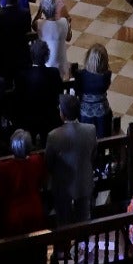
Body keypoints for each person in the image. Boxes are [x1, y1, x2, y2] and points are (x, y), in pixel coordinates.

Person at [45, 93, 97, 224]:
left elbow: (48, 163)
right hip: (84, 181)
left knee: (63, 222)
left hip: (63, 185)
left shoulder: (53, 135)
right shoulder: (90, 130)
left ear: (63, 114)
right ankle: (84, 242)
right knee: (84, 220)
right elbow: (93, 154)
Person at [0, 128, 47, 235]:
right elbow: (42, 181)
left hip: (13, 213)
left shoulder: (3, 167)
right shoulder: (37, 160)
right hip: (34, 209)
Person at [14, 36, 62, 143]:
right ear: (47, 56)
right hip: (49, 117)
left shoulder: (22, 76)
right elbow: (59, 93)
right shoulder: (54, 73)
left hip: (29, 117)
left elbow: (19, 98)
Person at [75, 43, 113, 136]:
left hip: (85, 115)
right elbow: (106, 87)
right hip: (103, 115)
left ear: (88, 58)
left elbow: (77, 91)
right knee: (102, 138)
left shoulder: (80, 75)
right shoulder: (106, 76)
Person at [34, 0, 71, 79]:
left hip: (47, 66)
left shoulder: (40, 23)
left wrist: (40, 10)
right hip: (62, 66)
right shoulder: (64, 22)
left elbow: (33, 24)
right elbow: (69, 37)